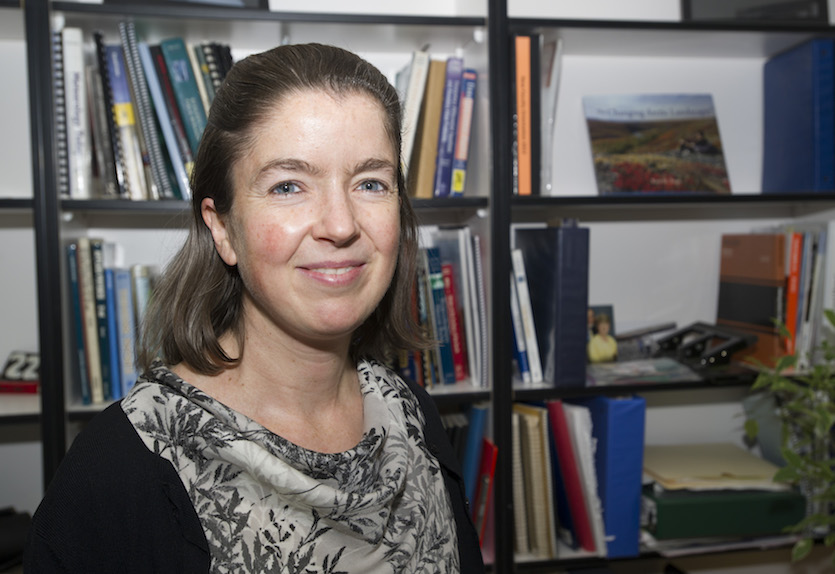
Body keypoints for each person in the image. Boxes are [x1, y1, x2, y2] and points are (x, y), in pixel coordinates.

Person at [25, 43, 484, 573]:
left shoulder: (412, 415)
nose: (340, 224)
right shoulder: (120, 474)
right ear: (222, 228)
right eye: (288, 185)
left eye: (370, 183)